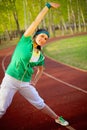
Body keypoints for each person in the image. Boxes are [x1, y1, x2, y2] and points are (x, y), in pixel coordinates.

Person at [0, 2, 69, 126]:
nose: (43, 39)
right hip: (10, 80)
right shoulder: (25, 41)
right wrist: (47, 7)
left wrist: (35, 82)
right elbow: (36, 21)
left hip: (25, 83)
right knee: (1, 109)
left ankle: (57, 118)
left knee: (39, 103)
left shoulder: (40, 56)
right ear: (36, 35)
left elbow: (40, 70)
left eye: (46, 39)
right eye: (42, 36)